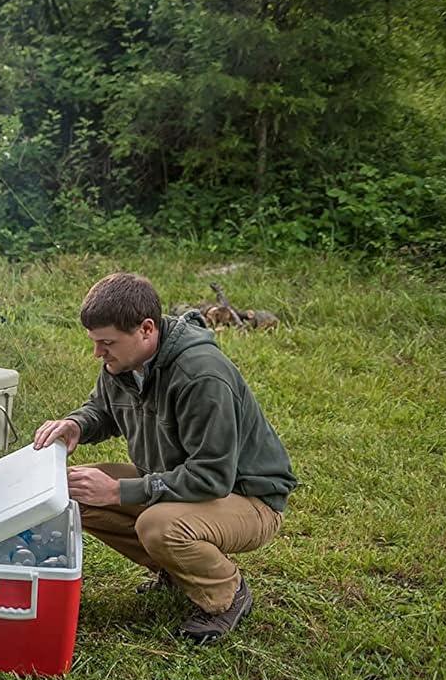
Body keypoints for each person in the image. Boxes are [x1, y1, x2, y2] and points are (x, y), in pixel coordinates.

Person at [32, 272, 296, 644]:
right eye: (94, 342)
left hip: (247, 498)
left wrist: (119, 491)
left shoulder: (201, 376)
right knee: (73, 490)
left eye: (106, 342)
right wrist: (77, 425)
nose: (97, 353)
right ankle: (178, 570)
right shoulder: (122, 363)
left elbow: (212, 477)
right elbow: (103, 410)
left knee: (159, 525)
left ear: (146, 329)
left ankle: (226, 595)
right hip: (181, 483)